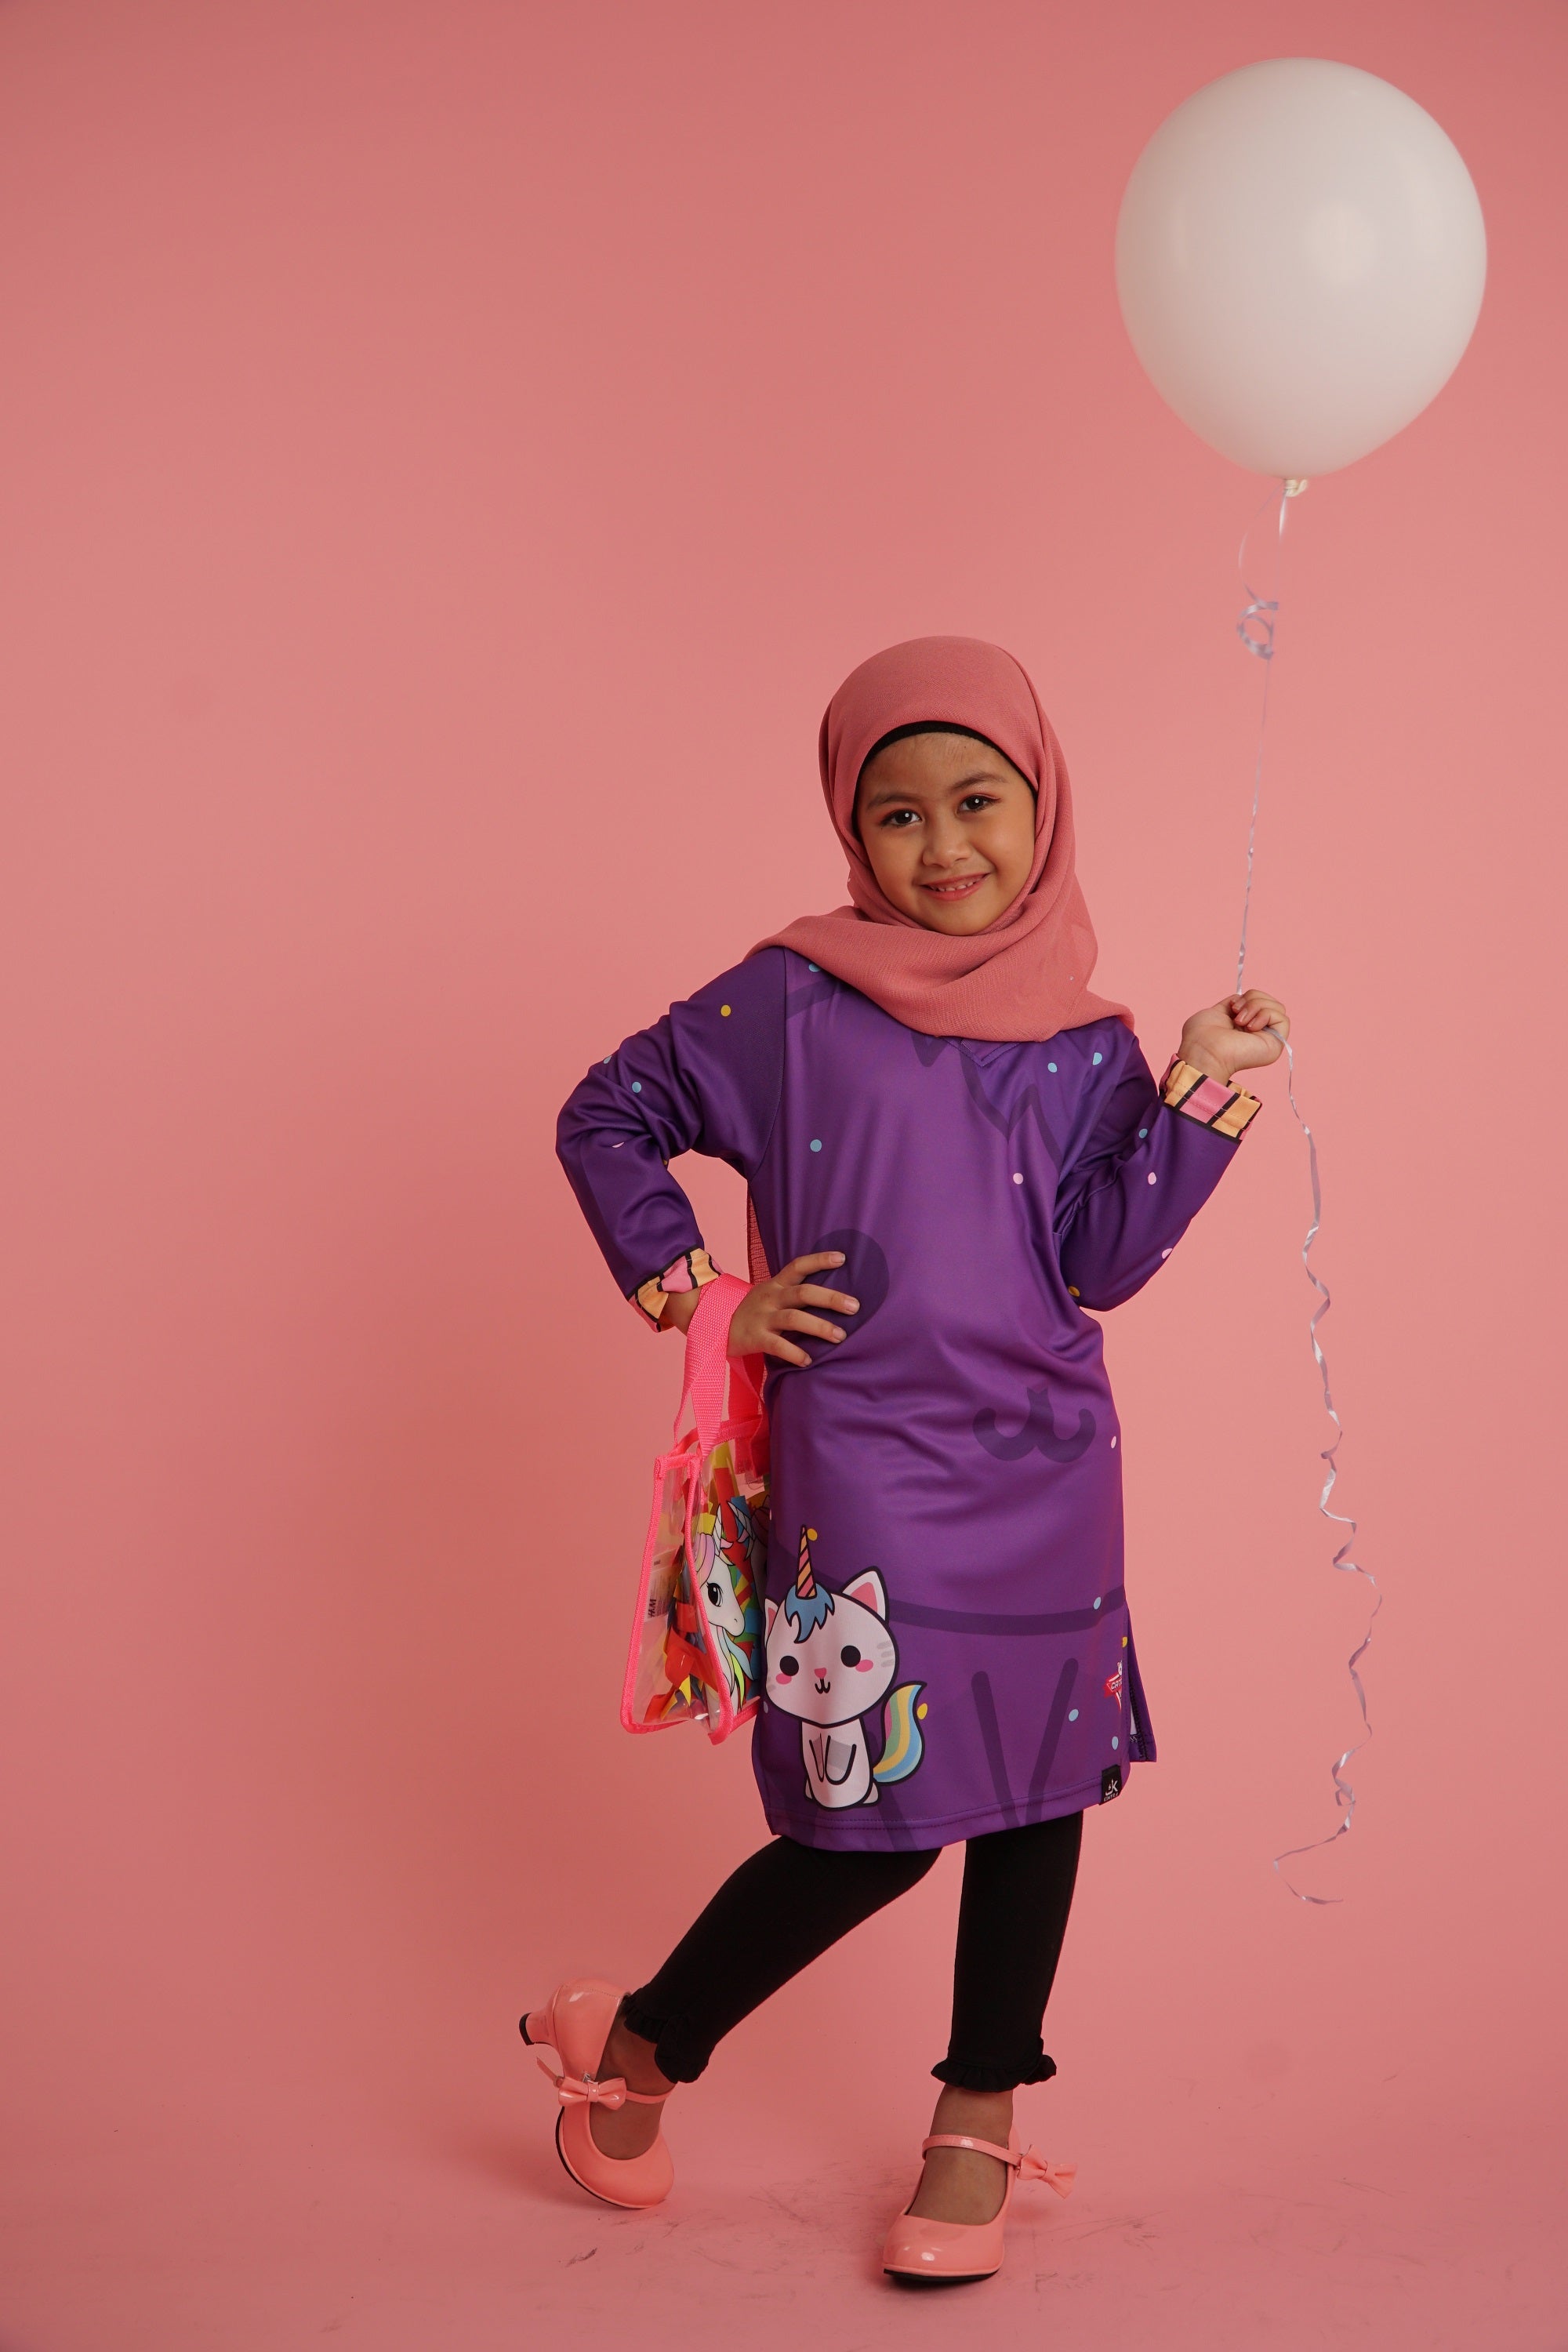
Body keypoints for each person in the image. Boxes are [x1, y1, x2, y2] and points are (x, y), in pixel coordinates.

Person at [532, 636, 1287, 2284]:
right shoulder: (789, 1003)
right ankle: (645, 2042)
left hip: (1049, 1464)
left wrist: (1200, 1098)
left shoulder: (1087, 1043)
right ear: (849, 828)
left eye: (978, 801)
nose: (944, 846)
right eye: (898, 813)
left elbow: (1098, 1261)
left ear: (1043, 803)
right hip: (864, 1458)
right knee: (863, 1807)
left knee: (1036, 1786)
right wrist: (702, 1296)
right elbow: (606, 1110)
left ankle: (976, 2117)